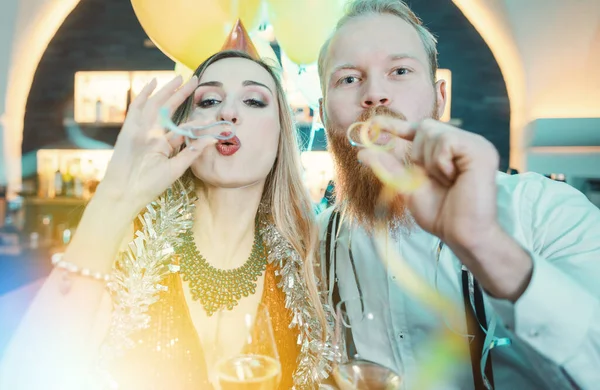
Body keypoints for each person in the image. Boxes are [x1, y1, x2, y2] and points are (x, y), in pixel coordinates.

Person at [0, 30, 331, 389]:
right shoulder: (131, 248)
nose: (228, 112)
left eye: (253, 101)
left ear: (282, 135)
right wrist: (115, 198)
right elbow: (25, 376)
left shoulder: (308, 262)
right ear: (184, 130)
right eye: (208, 102)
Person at [317, 0, 600, 389]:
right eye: (348, 79)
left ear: (441, 98)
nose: (375, 94)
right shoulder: (314, 242)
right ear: (323, 115)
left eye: (399, 71)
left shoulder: (547, 213)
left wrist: (487, 247)